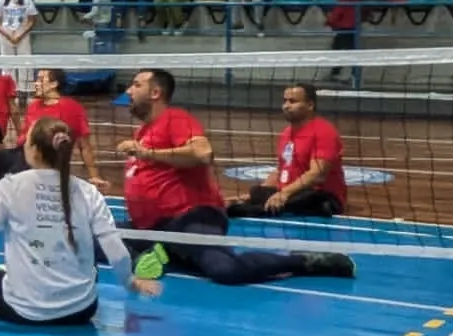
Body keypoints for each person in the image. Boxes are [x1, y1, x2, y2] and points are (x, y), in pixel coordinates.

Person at [0, 117, 161, 326]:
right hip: (81, 310)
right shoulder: (88, 191)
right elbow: (116, 253)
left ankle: (22, 278)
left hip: (23, 310)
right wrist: (131, 282)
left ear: (33, 151)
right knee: (84, 263)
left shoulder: (9, 186)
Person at [118, 68, 354, 285]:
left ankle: (305, 261)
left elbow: (202, 153)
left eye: (136, 85)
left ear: (155, 92)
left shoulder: (174, 119)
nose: (129, 90)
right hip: (153, 226)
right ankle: (170, 253)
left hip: (189, 218)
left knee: (226, 270)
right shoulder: (143, 131)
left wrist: (147, 153)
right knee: (92, 236)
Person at [230, 84, 347, 218]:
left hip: (322, 195)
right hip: (291, 193)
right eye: (284, 101)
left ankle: (246, 211)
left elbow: (317, 174)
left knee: (307, 198)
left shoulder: (323, 131)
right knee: (257, 191)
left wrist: (284, 193)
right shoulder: (286, 134)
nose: (286, 106)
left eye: (293, 101)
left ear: (310, 105)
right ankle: (254, 206)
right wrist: (250, 197)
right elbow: (281, 171)